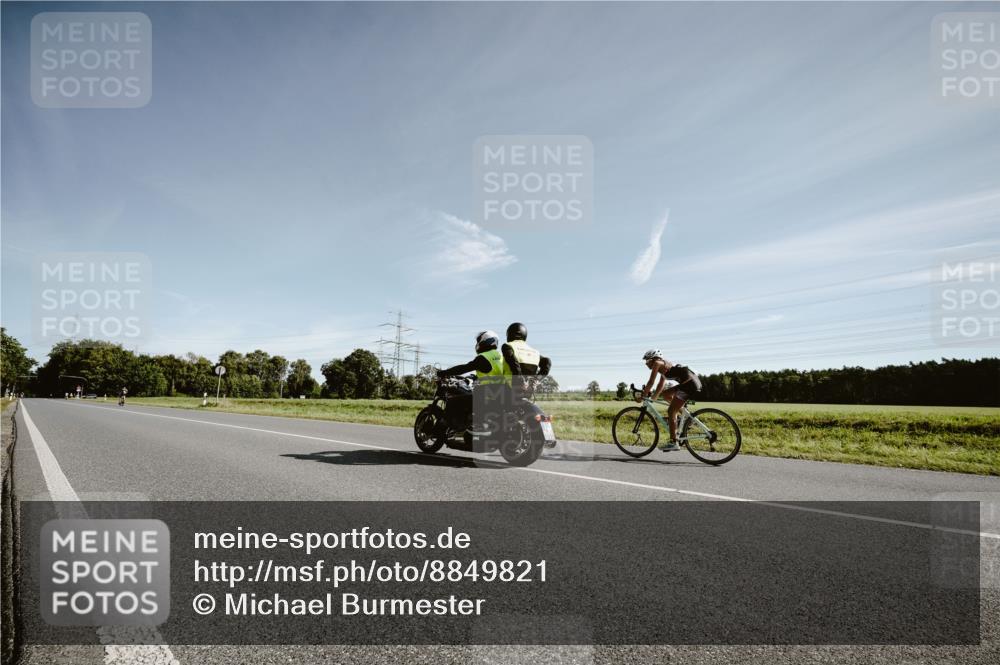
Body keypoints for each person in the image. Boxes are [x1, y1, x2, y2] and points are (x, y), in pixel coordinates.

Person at [437, 331, 505, 430]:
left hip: (486, 394)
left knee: (453, 400)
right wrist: (474, 377)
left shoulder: (484, 357)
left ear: (485, 341)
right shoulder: (501, 357)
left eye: (479, 341)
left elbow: (464, 368)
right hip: (500, 394)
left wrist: (445, 372)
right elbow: (493, 373)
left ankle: (447, 425)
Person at [639, 349, 702, 451]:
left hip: (689, 384)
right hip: (688, 383)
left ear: (653, 358)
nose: (646, 364)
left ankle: (673, 442)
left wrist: (644, 394)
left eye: (647, 361)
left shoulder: (657, 363)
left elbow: (651, 382)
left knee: (671, 411)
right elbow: (660, 386)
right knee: (666, 394)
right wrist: (651, 400)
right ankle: (687, 417)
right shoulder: (663, 367)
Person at [501, 322, 551, 399]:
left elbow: (514, 364)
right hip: (528, 392)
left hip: (509, 392)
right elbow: (547, 362)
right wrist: (536, 380)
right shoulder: (535, 352)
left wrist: (520, 382)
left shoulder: (508, 346)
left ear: (509, 334)